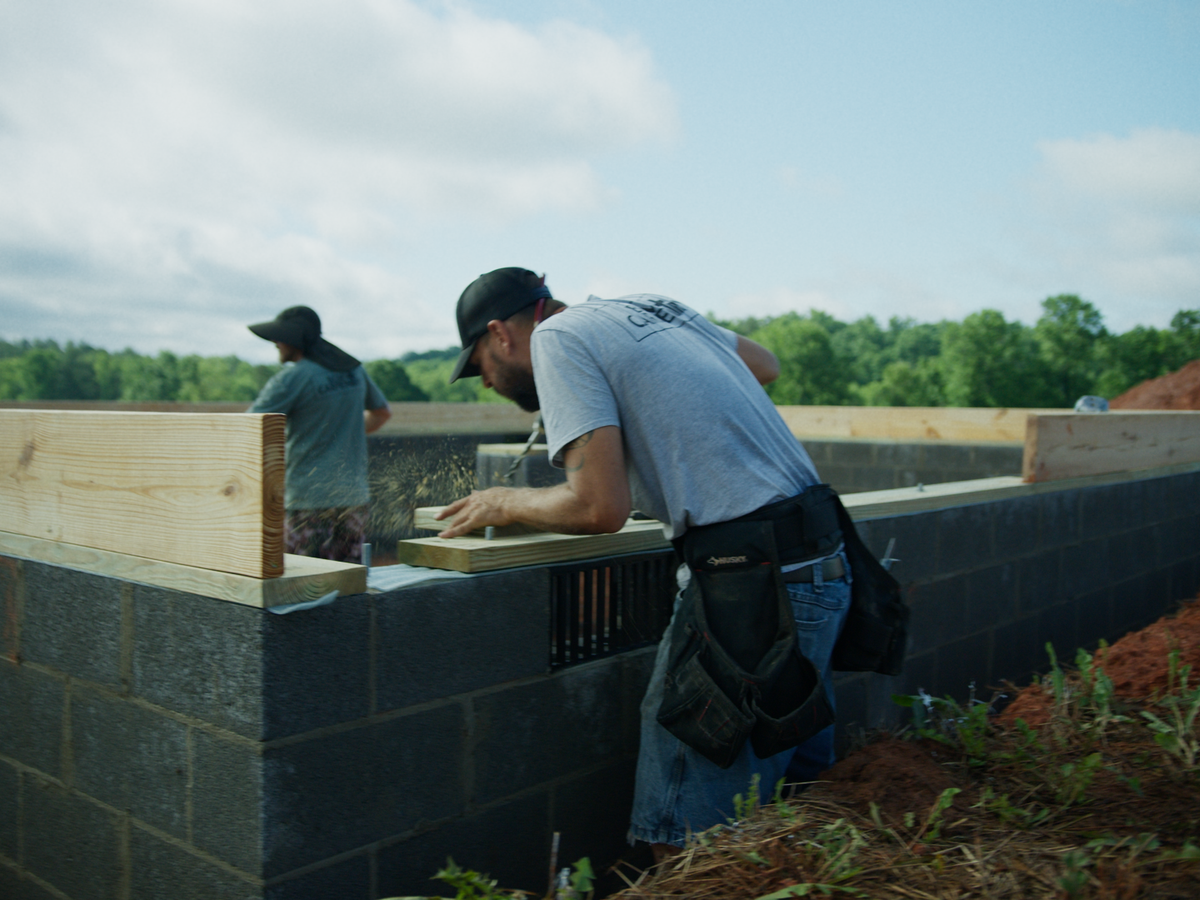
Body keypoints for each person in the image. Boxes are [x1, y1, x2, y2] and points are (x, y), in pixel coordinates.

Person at [435, 267, 852, 860]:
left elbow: (599, 506)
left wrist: (502, 501)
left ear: (501, 334)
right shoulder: (650, 307)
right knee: (803, 811)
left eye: (478, 365)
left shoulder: (555, 339)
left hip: (750, 589)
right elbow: (764, 363)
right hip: (821, 564)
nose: (484, 383)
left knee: (688, 843)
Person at [248, 305, 391, 563]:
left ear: (294, 338)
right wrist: (343, 432)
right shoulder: (353, 370)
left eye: (280, 337)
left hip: (308, 501)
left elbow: (249, 428)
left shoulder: (293, 378)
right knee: (349, 584)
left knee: (302, 583)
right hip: (354, 501)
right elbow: (381, 413)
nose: (276, 343)